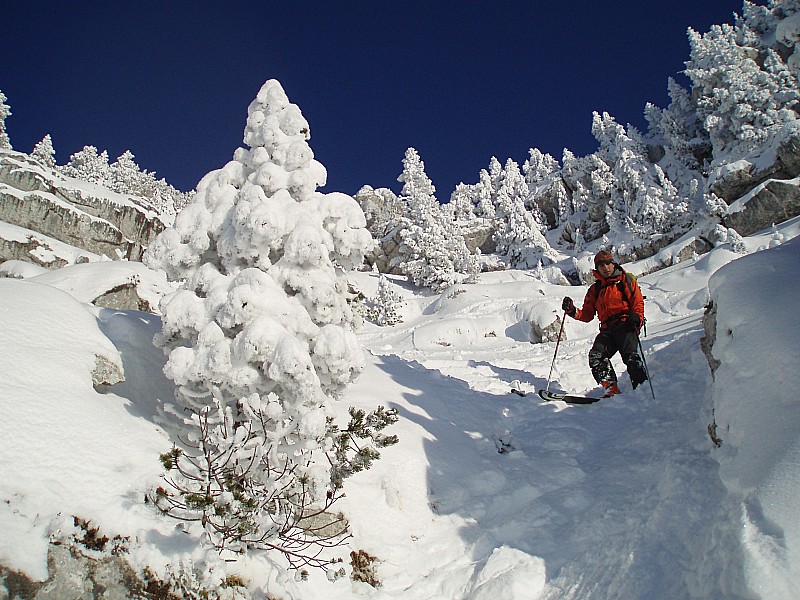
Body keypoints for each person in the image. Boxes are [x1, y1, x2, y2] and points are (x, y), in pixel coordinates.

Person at [562, 250, 647, 397]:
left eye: (608, 264)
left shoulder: (625, 280)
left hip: (626, 324)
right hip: (607, 329)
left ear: (613, 264)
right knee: (596, 356)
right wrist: (572, 311)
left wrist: (637, 317)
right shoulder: (595, 290)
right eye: (602, 265)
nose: (606, 268)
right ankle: (611, 389)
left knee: (631, 357)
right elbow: (587, 315)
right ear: (597, 269)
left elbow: (637, 301)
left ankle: (642, 388)